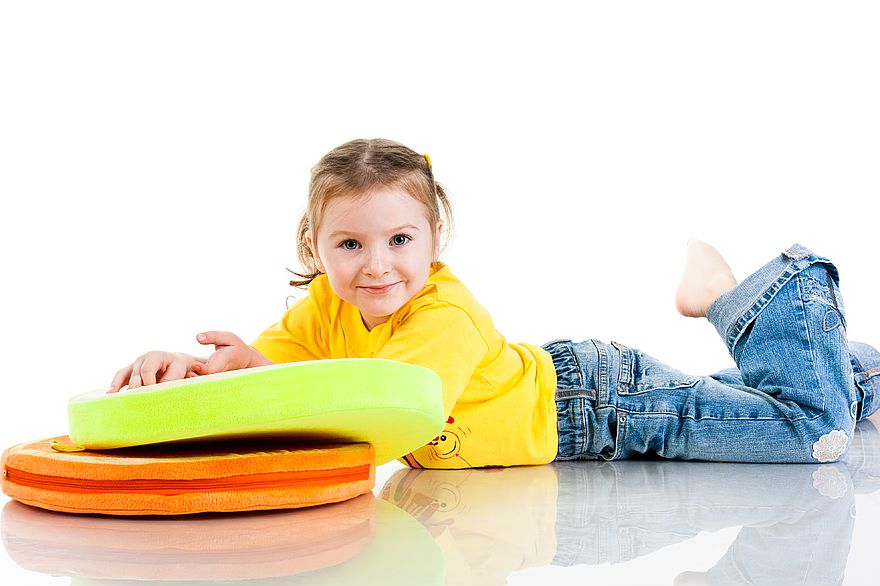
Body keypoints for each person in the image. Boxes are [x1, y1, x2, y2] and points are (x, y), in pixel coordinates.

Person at [107, 138, 880, 468]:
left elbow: (393, 415)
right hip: (576, 398)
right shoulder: (322, 310)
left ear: (435, 238)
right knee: (784, 402)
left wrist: (260, 388)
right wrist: (214, 372)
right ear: (315, 246)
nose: (376, 267)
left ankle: (760, 291)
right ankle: (866, 374)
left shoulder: (442, 316)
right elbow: (281, 371)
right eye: (349, 246)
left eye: (399, 241)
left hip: (605, 405)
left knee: (810, 433)